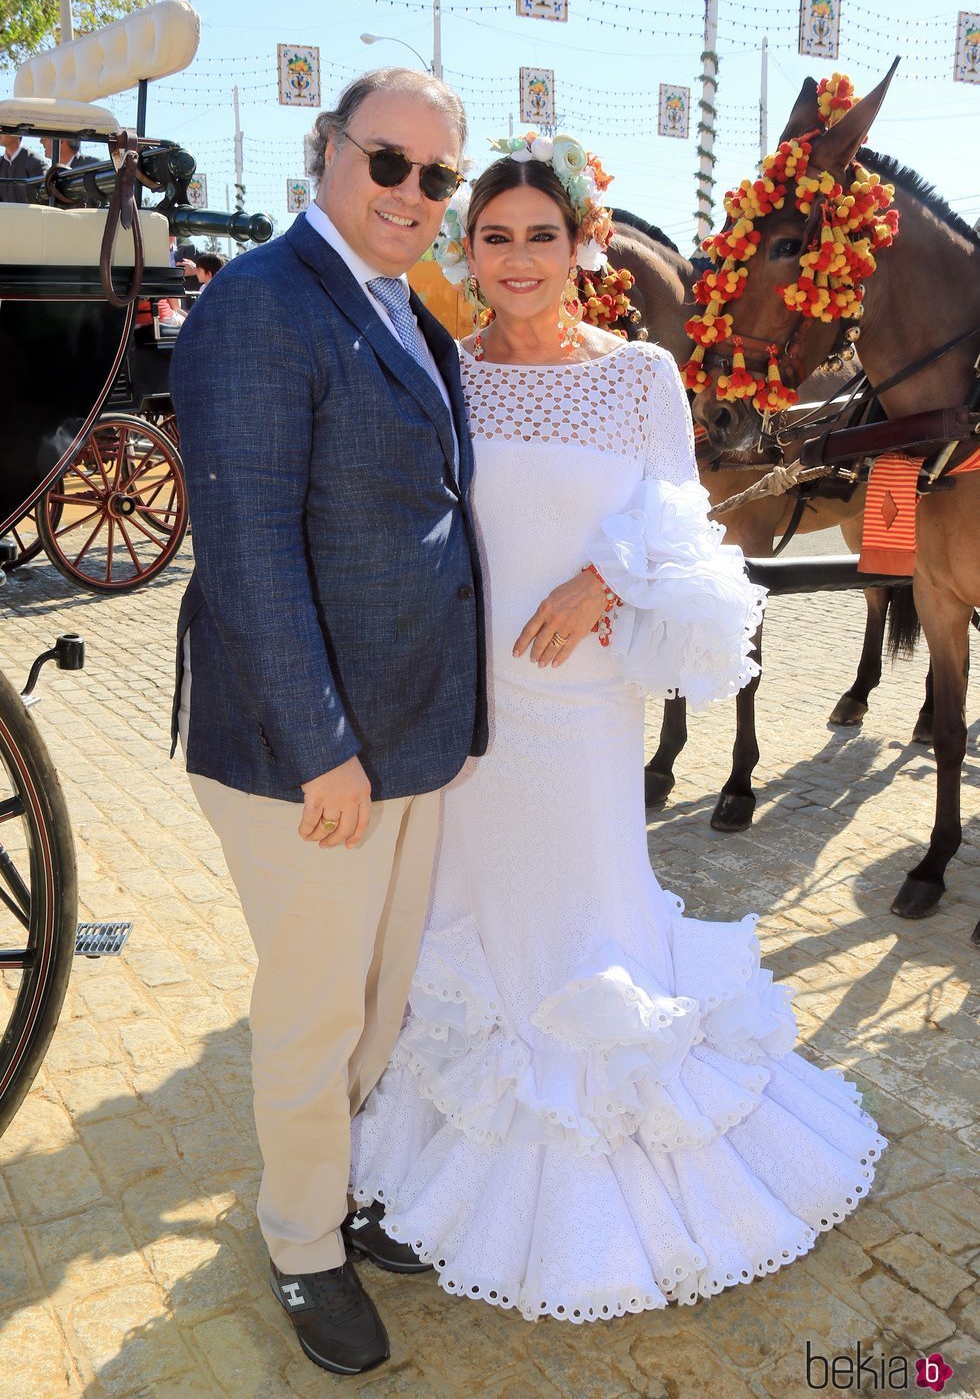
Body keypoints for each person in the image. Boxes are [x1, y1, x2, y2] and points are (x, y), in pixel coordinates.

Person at [351, 133, 886, 1324]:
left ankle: (619, 1162)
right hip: (468, 708)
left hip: (581, 704)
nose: (519, 258)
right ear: (467, 250)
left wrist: (603, 575)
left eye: (542, 234)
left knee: (588, 911)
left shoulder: (639, 373)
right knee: (471, 915)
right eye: (495, 237)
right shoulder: (442, 370)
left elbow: (682, 528)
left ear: (581, 243)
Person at [169, 68, 486, 1377]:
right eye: (389, 162)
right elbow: (245, 552)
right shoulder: (259, 305)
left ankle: (340, 1180)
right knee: (313, 1009)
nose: (412, 194)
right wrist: (324, 748)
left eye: (437, 178)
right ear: (329, 150)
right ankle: (302, 1241)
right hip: (310, 752)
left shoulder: (410, 309)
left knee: (378, 995)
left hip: (408, 734)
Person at [0, 135, 45, 203]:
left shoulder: (35, 162)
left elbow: (42, 199)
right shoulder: (1, 163)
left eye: (3, 129)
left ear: (16, 134)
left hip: (27, 212)